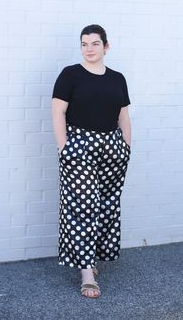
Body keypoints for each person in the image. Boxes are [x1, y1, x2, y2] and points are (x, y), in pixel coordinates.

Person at [51, 24, 131, 299]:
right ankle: (86, 272)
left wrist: (126, 147)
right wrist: (65, 149)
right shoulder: (70, 75)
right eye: (84, 44)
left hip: (113, 147)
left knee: (107, 205)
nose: (89, 49)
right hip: (79, 146)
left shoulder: (118, 78)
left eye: (95, 43)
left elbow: (123, 115)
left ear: (106, 47)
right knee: (82, 206)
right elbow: (57, 112)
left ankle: (94, 259)